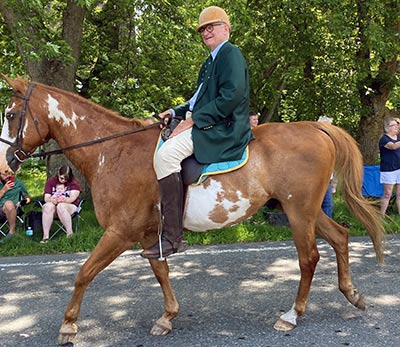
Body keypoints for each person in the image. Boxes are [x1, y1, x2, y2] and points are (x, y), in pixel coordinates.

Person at [141, 6, 254, 259]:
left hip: (224, 128)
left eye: (211, 26)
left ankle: (172, 238)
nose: (206, 32)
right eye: (203, 29)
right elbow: (196, 101)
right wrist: (175, 110)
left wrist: (193, 121)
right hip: (206, 122)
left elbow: (232, 96)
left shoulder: (230, 54)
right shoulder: (210, 61)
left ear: (226, 28)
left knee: (166, 156)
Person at [41, 165, 81, 243]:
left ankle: (70, 235)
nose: (63, 180)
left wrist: (64, 199)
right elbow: (46, 198)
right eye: (62, 178)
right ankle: (45, 237)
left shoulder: (74, 183)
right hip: (53, 208)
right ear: (58, 174)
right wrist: (52, 199)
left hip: (69, 207)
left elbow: (72, 199)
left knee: (61, 206)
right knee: (48, 206)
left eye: (66, 179)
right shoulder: (51, 181)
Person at [379, 117, 400, 216]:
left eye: (397, 125)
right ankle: (381, 216)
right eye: (394, 125)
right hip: (388, 170)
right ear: (387, 127)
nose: (397, 127)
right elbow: (393, 146)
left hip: (399, 169)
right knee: (388, 194)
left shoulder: (399, 138)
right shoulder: (384, 139)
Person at [0, 172, 30, 241]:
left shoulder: (18, 183)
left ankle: (12, 231)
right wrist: (4, 190)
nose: (8, 176)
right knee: (8, 204)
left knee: (9, 204)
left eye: (10, 173)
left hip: (14, 208)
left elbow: (27, 197)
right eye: (5, 174)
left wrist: (23, 202)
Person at [318, 116, 335, 218]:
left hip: (327, 179)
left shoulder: (330, 142)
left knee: (328, 205)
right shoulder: (317, 142)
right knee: (324, 205)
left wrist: (334, 182)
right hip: (318, 179)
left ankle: (324, 230)